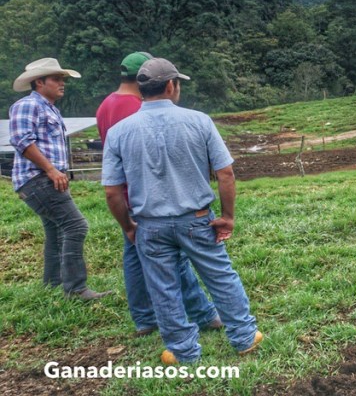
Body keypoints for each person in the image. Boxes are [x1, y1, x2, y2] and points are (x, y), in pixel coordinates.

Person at [102, 58, 261, 364]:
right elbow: (225, 173)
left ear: (141, 89)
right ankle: (243, 336)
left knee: (163, 287)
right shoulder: (199, 121)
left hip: (150, 224)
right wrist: (227, 216)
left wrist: (129, 226)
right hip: (197, 218)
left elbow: (111, 191)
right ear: (172, 85)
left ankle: (182, 350)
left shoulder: (120, 132)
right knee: (219, 275)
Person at [96, 51, 222, 337]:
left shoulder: (106, 105)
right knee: (172, 260)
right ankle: (200, 315)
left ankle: (145, 317)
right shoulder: (136, 108)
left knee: (136, 257)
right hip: (151, 198)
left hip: (125, 197)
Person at [8, 58, 111, 300]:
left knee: (56, 230)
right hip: (38, 178)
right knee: (76, 226)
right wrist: (52, 170)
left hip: (43, 178)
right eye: (56, 79)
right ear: (39, 82)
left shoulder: (49, 108)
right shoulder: (28, 105)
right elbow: (22, 140)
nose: (62, 83)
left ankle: (53, 284)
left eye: (62, 79)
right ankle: (75, 289)